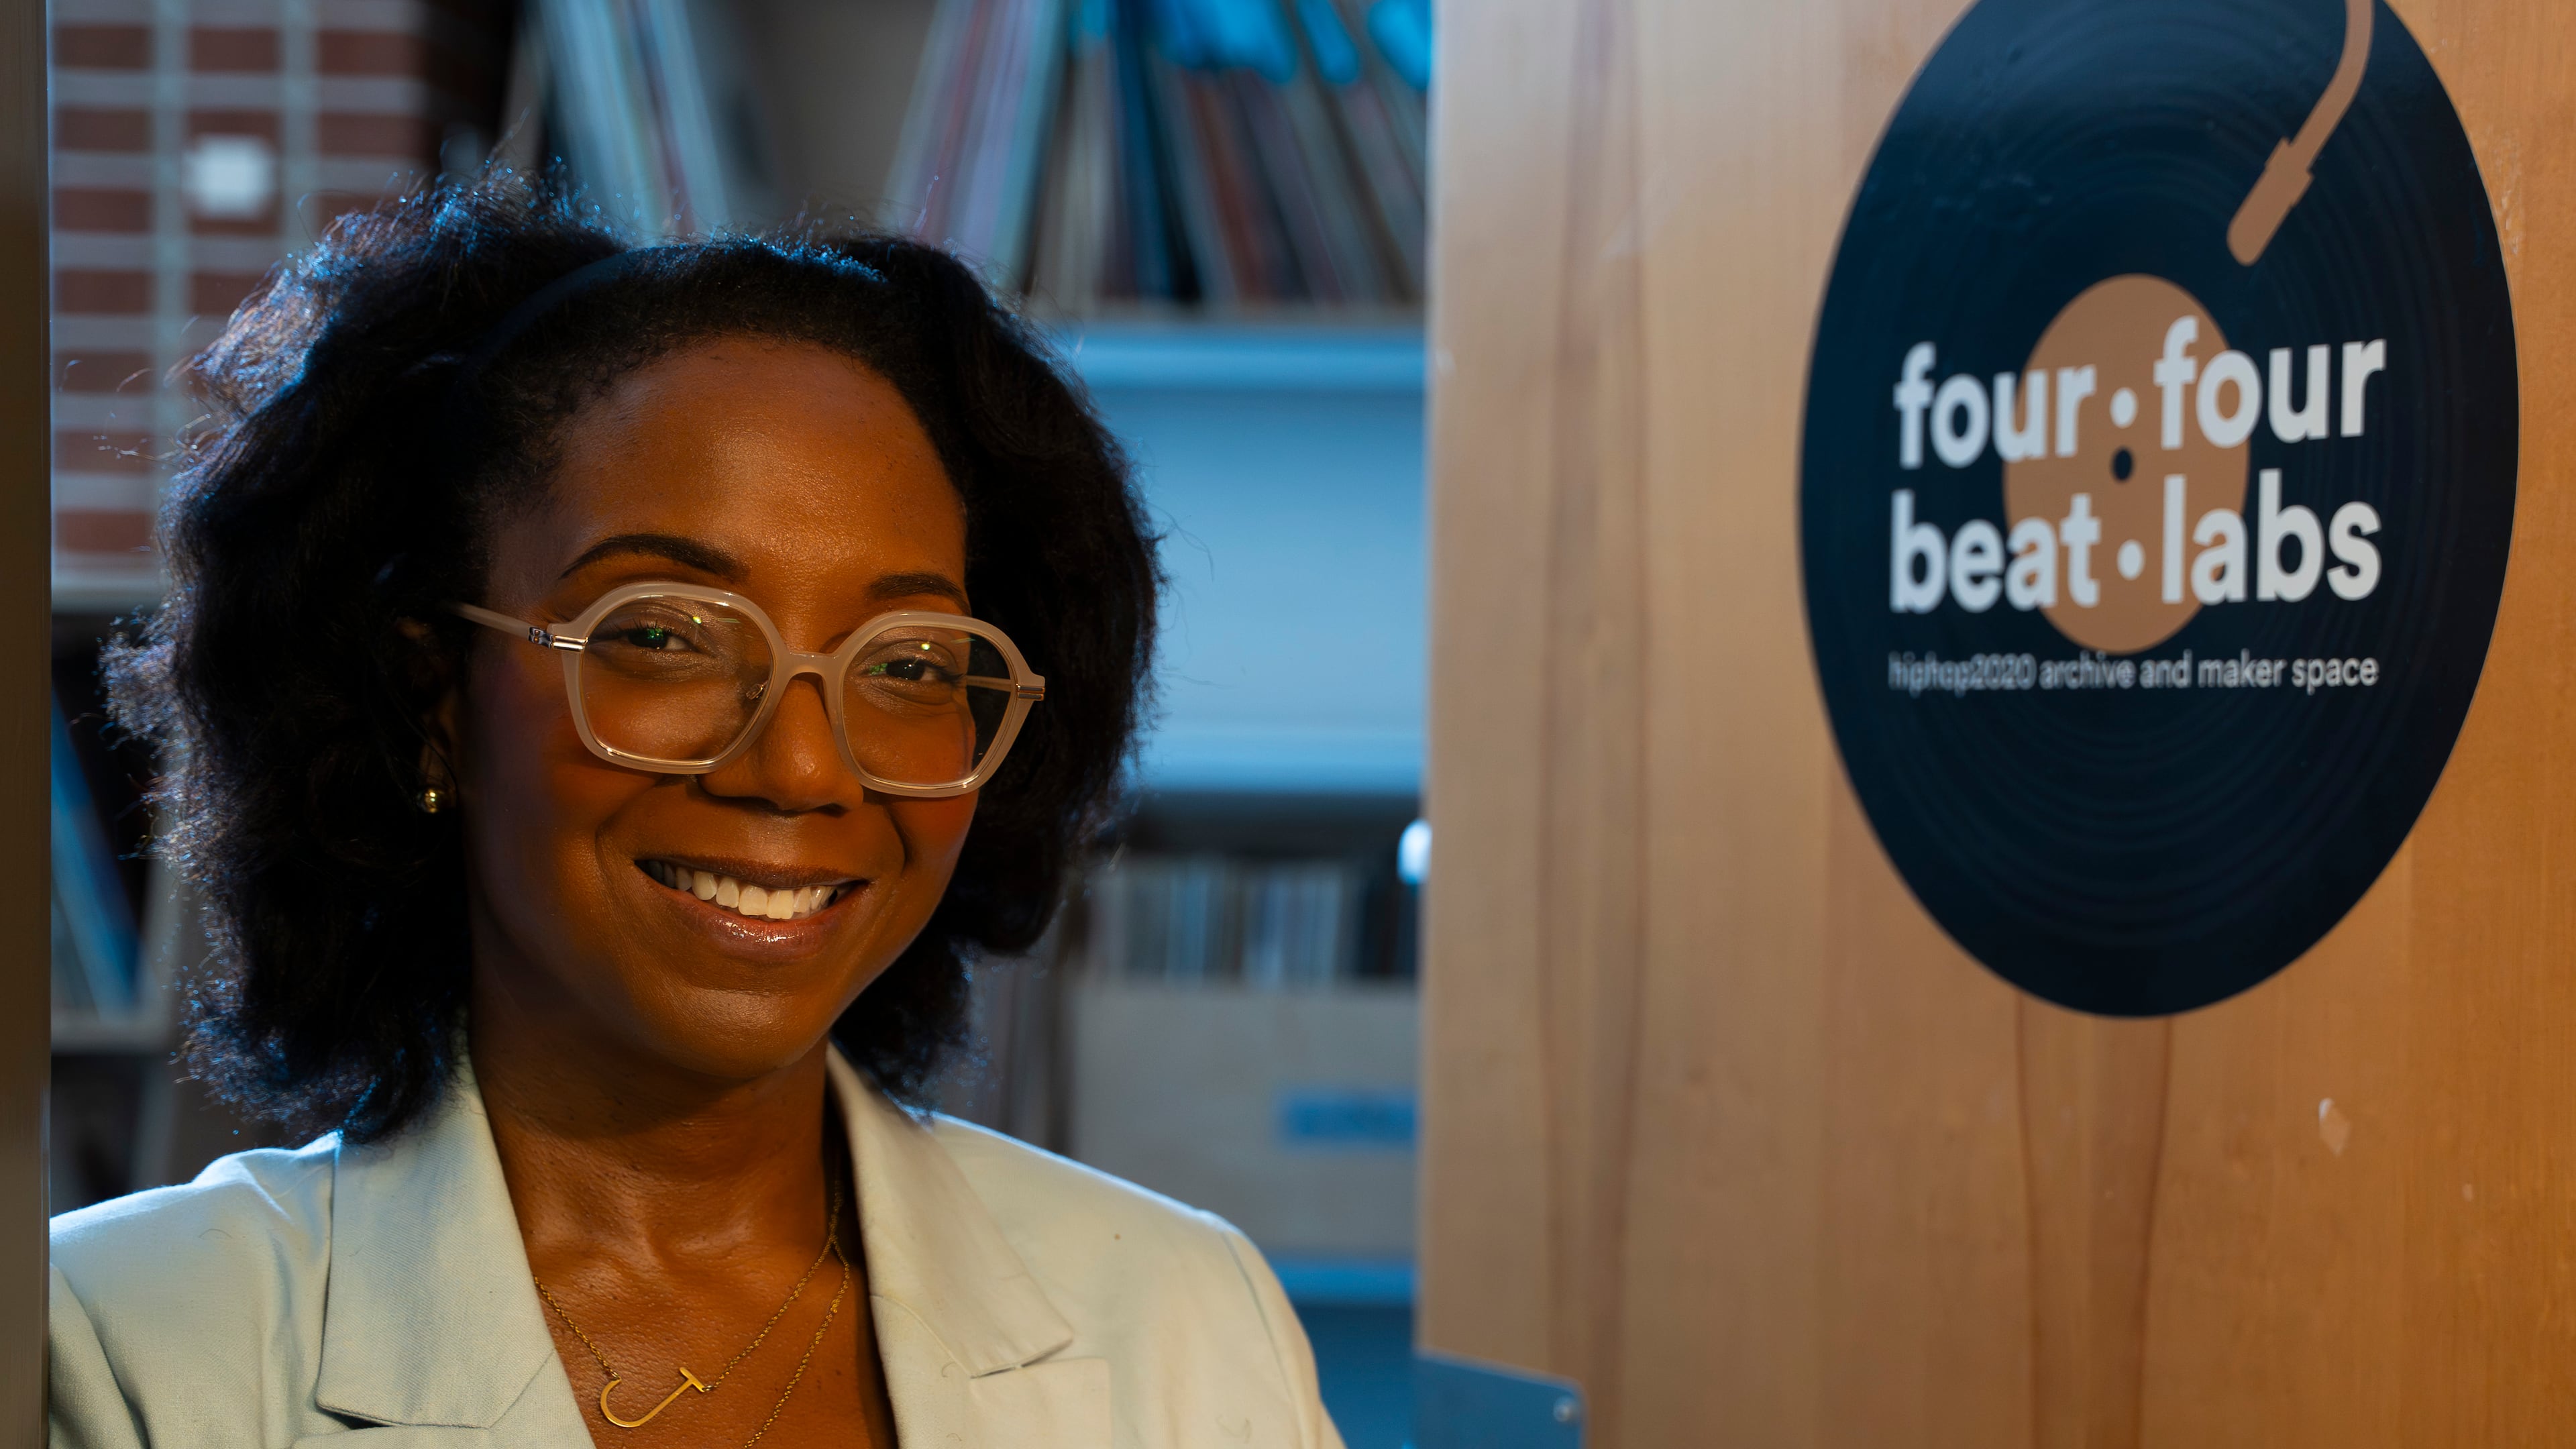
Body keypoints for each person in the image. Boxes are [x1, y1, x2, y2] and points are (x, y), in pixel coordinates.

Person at [48, 183, 1344, 1449]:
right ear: (433, 695)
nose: (796, 768)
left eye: (907, 664)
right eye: (664, 635)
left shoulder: (1186, 1322)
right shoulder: (121, 1346)